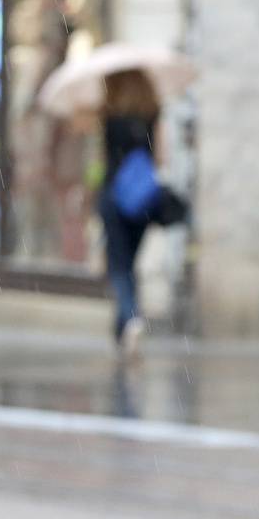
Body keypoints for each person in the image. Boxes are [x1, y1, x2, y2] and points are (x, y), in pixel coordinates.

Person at [98, 68, 163, 357]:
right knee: (129, 263)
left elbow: (105, 157)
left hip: (114, 194)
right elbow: (159, 157)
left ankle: (131, 317)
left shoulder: (109, 114)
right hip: (142, 199)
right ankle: (124, 327)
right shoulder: (151, 112)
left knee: (118, 263)